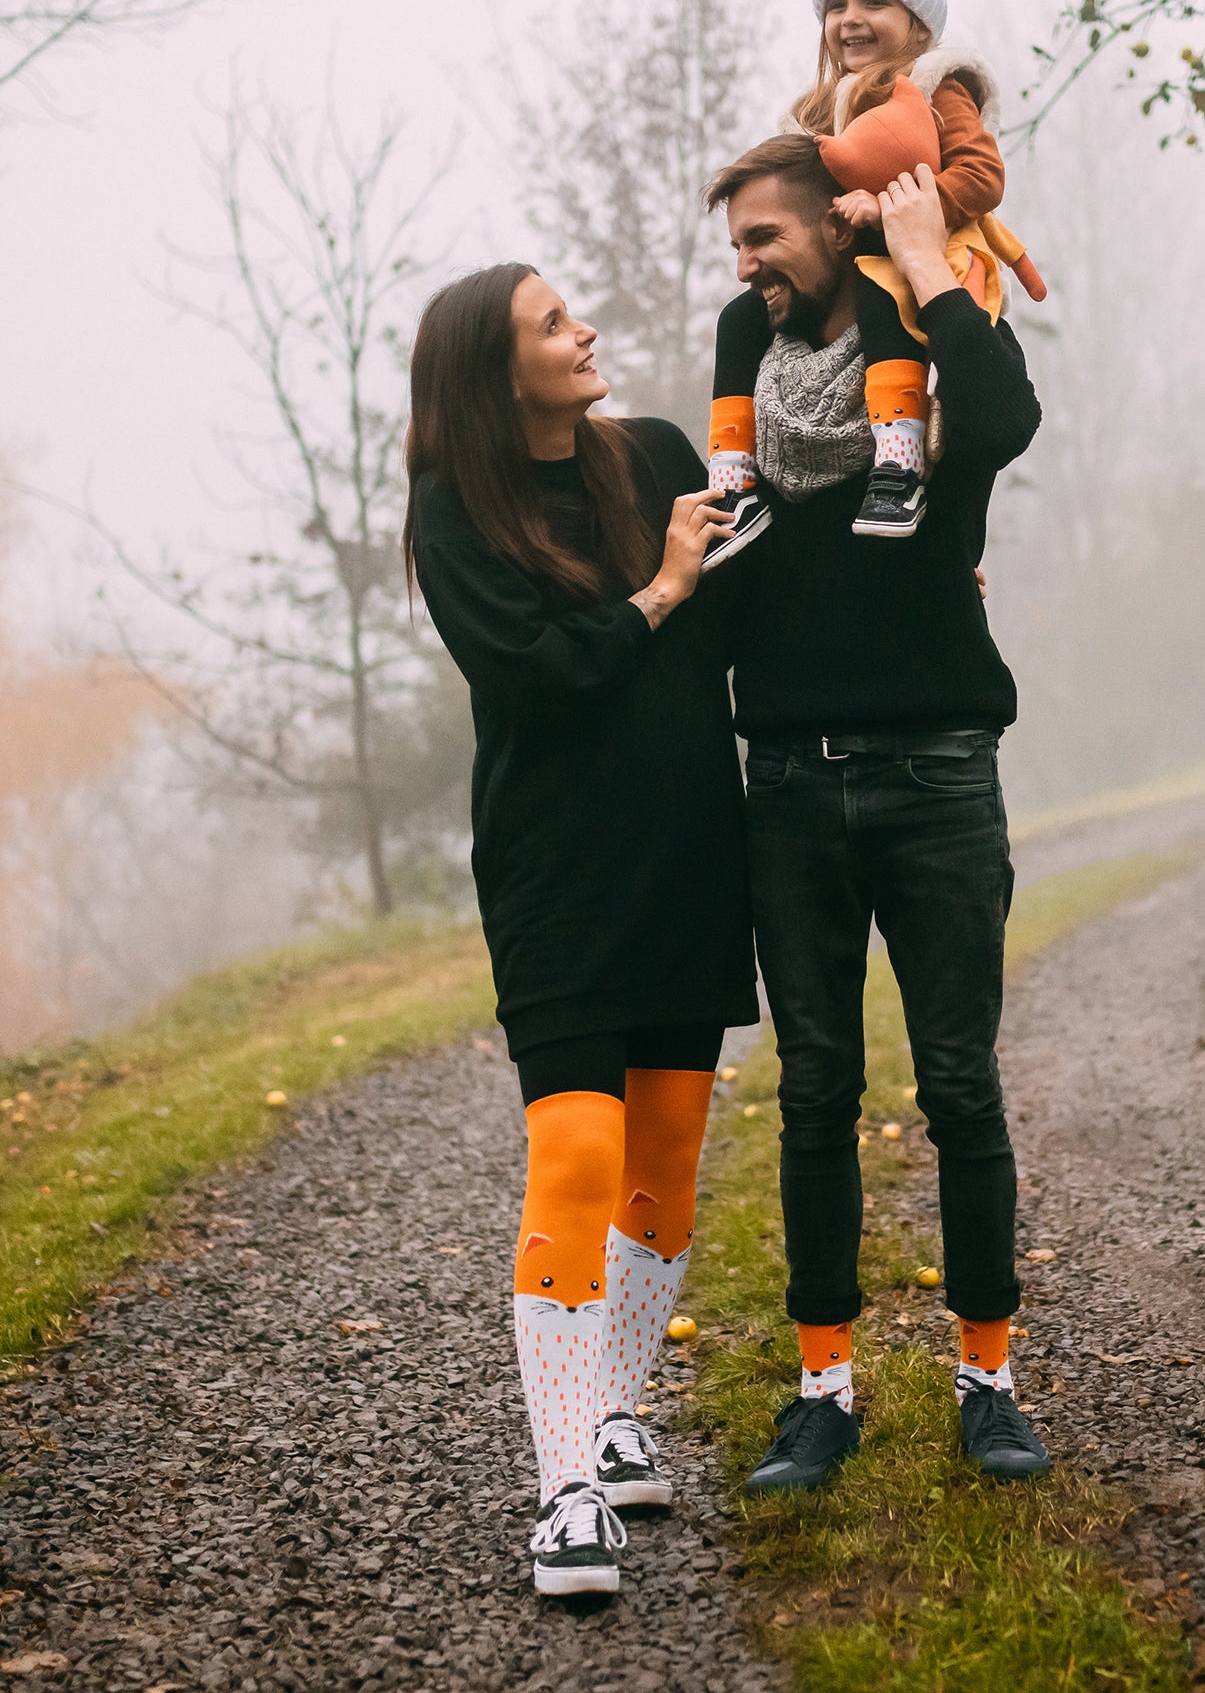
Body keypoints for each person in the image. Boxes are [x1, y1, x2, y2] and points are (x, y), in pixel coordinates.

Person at [401, 264, 758, 1596]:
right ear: (498, 378)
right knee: (578, 1154)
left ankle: (613, 1412)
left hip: (687, 858)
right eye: (553, 325)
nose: (585, 331)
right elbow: (545, 682)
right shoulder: (456, 517)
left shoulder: (656, 457)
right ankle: (566, 1497)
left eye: (572, 313)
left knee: (664, 1163)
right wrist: (662, 587)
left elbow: (736, 626)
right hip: (557, 879)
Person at [704, 140, 1052, 1491]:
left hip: (935, 778)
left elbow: (1011, 423)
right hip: (788, 784)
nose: (745, 266)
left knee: (959, 1086)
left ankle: (988, 1382)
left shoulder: (930, 345)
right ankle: (825, 1394)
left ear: (835, 234)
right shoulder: (752, 345)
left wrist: (925, 268)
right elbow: (737, 536)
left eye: (764, 238)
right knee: (816, 1097)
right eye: (737, 241)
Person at [702, 0, 1045, 561]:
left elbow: (983, 178)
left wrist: (903, 215)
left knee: (884, 292)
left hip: (921, 261)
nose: (850, 20)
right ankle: (733, 482)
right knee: (737, 321)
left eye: (874, 3)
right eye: (836, 5)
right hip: (854, 264)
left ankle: (898, 459)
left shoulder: (939, 86)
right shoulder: (821, 107)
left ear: (920, 24)